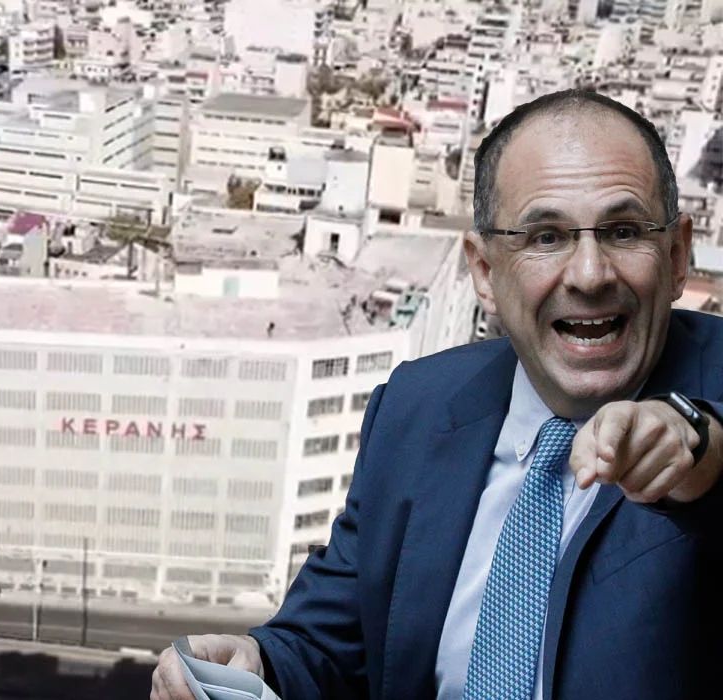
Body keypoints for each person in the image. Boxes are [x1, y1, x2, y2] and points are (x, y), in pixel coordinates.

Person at [151, 89, 723, 700]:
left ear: (677, 256)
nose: (589, 274)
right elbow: (335, 642)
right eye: (545, 237)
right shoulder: (415, 407)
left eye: (624, 231)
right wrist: (259, 666)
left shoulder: (703, 413)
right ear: (484, 271)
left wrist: (697, 451)